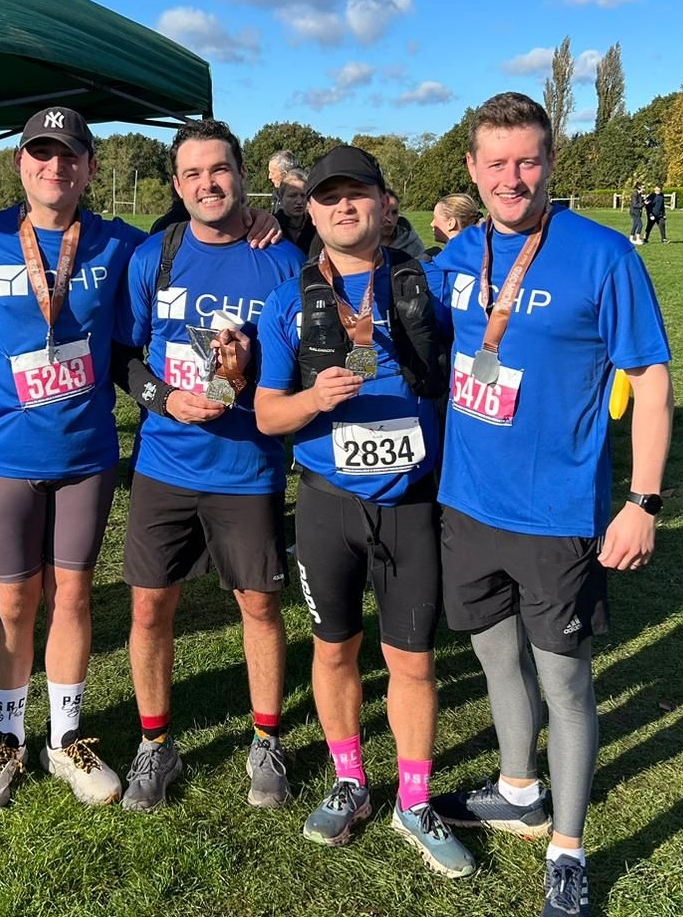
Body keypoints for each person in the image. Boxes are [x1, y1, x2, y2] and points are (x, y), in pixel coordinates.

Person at [0, 108, 284, 815]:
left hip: (87, 453)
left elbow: (204, 237)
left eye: (69, 156)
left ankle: (66, 737)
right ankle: (7, 739)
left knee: (71, 596)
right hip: (3, 452)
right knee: (13, 600)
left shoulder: (124, 246)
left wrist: (279, 216)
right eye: (40, 154)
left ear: (90, 168)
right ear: (20, 164)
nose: (54, 167)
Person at [428, 92, 672, 917]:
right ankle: (519, 790)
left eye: (527, 160)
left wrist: (642, 500)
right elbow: (366, 284)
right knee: (497, 662)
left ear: (550, 162)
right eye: (495, 162)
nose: (511, 178)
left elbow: (653, 378)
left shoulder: (602, 255)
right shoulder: (460, 255)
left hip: (557, 516)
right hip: (466, 506)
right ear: (471, 168)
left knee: (564, 681)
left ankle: (567, 848)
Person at [254, 146, 474, 878]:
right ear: (308, 211)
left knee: (410, 658)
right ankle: (352, 782)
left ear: (385, 204)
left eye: (358, 194)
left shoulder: (430, 282)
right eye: (328, 197)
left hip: (412, 504)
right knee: (334, 648)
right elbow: (264, 413)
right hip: (329, 506)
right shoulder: (289, 297)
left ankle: (415, 798)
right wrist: (313, 400)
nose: (344, 207)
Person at [113, 119, 303, 812]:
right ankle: (155, 745)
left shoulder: (282, 259)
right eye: (192, 175)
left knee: (258, 603)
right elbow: (121, 359)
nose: (207, 184)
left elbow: (311, 361)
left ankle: (266, 739)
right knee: (149, 605)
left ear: (243, 173)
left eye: (219, 170)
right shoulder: (153, 255)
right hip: (165, 463)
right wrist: (165, 400)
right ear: (176, 186)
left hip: (248, 465)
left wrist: (249, 377)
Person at [273, 167, 316, 254]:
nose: (299, 201)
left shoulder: (315, 227)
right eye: (292, 196)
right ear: (281, 197)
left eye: (303, 195)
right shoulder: (272, 225)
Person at [381, 188, 427, 259]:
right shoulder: (360, 244)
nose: (390, 219)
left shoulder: (413, 246)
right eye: (385, 212)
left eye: (394, 213)